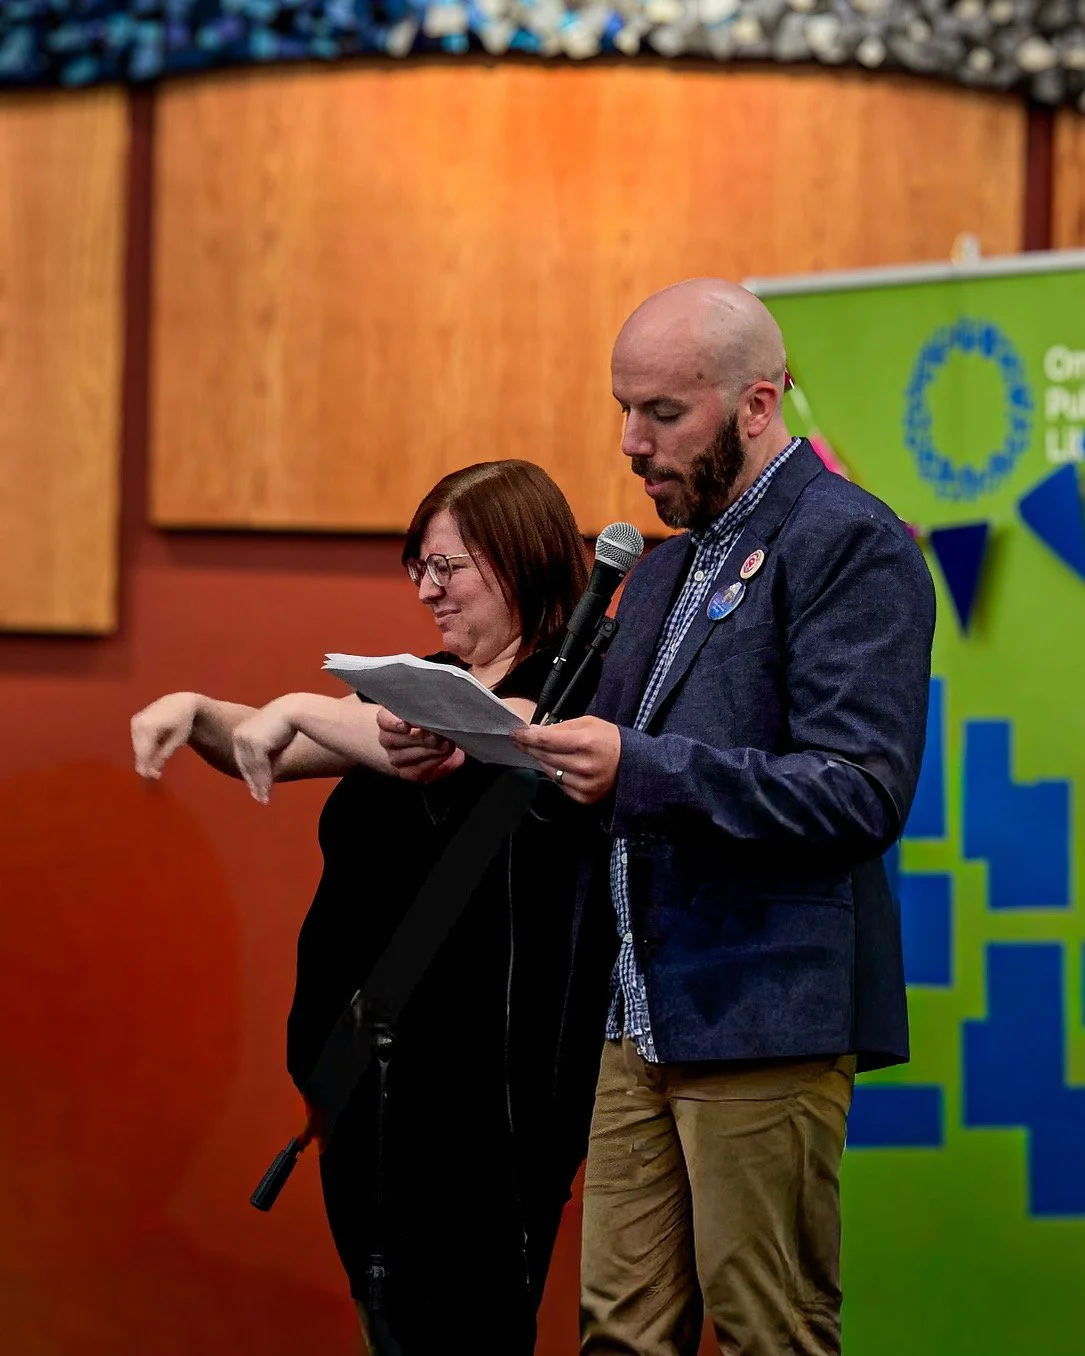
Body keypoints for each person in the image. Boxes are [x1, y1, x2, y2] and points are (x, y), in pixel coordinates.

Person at [508, 280, 937, 1356]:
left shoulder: (849, 542)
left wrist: (637, 768)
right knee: (618, 1334)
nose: (629, 444)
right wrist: (508, 736)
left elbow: (855, 790)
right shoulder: (660, 569)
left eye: (663, 414)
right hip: (634, 1010)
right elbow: (612, 756)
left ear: (756, 404)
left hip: (762, 1009)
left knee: (766, 1333)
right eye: (623, 409)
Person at [130, 459, 603, 1355]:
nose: (426, 590)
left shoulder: (573, 685)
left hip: (481, 1100)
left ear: (519, 556)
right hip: (367, 1085)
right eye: (416, 568)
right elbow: (273, 742)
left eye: (447, 566)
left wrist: (302, 707)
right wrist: (197, 712)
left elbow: (469, 744)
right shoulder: (420, 681)